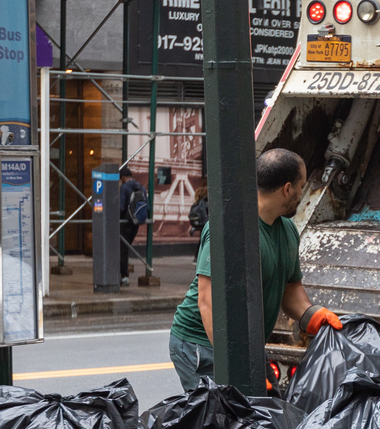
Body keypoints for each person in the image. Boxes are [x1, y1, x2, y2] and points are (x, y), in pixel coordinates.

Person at [167, 147, 340, 391]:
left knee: (258, 415)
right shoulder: (231, 228)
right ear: (287, 189)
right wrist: (240, 368)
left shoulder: (288, 230)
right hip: (202, 343)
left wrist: (313, 315)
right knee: (222, 419)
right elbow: (208, 302)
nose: (303, 194)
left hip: (244, 348)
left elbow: (290, 290)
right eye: (301, 186)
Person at [118, 162, 151, 285]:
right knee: (126, 248)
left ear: (123, 178)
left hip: (125, 222)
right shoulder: (141, 187)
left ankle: (124, 277)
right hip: (137, 222)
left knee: (123, 249)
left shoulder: (124, 188)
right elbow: (147, 206)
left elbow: (121, 207)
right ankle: (123, 275)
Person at [187, 174, 210, 242]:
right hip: (206, 219)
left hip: (199, 219)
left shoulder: (199, 191)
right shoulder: (209, 191)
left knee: (203, 239)